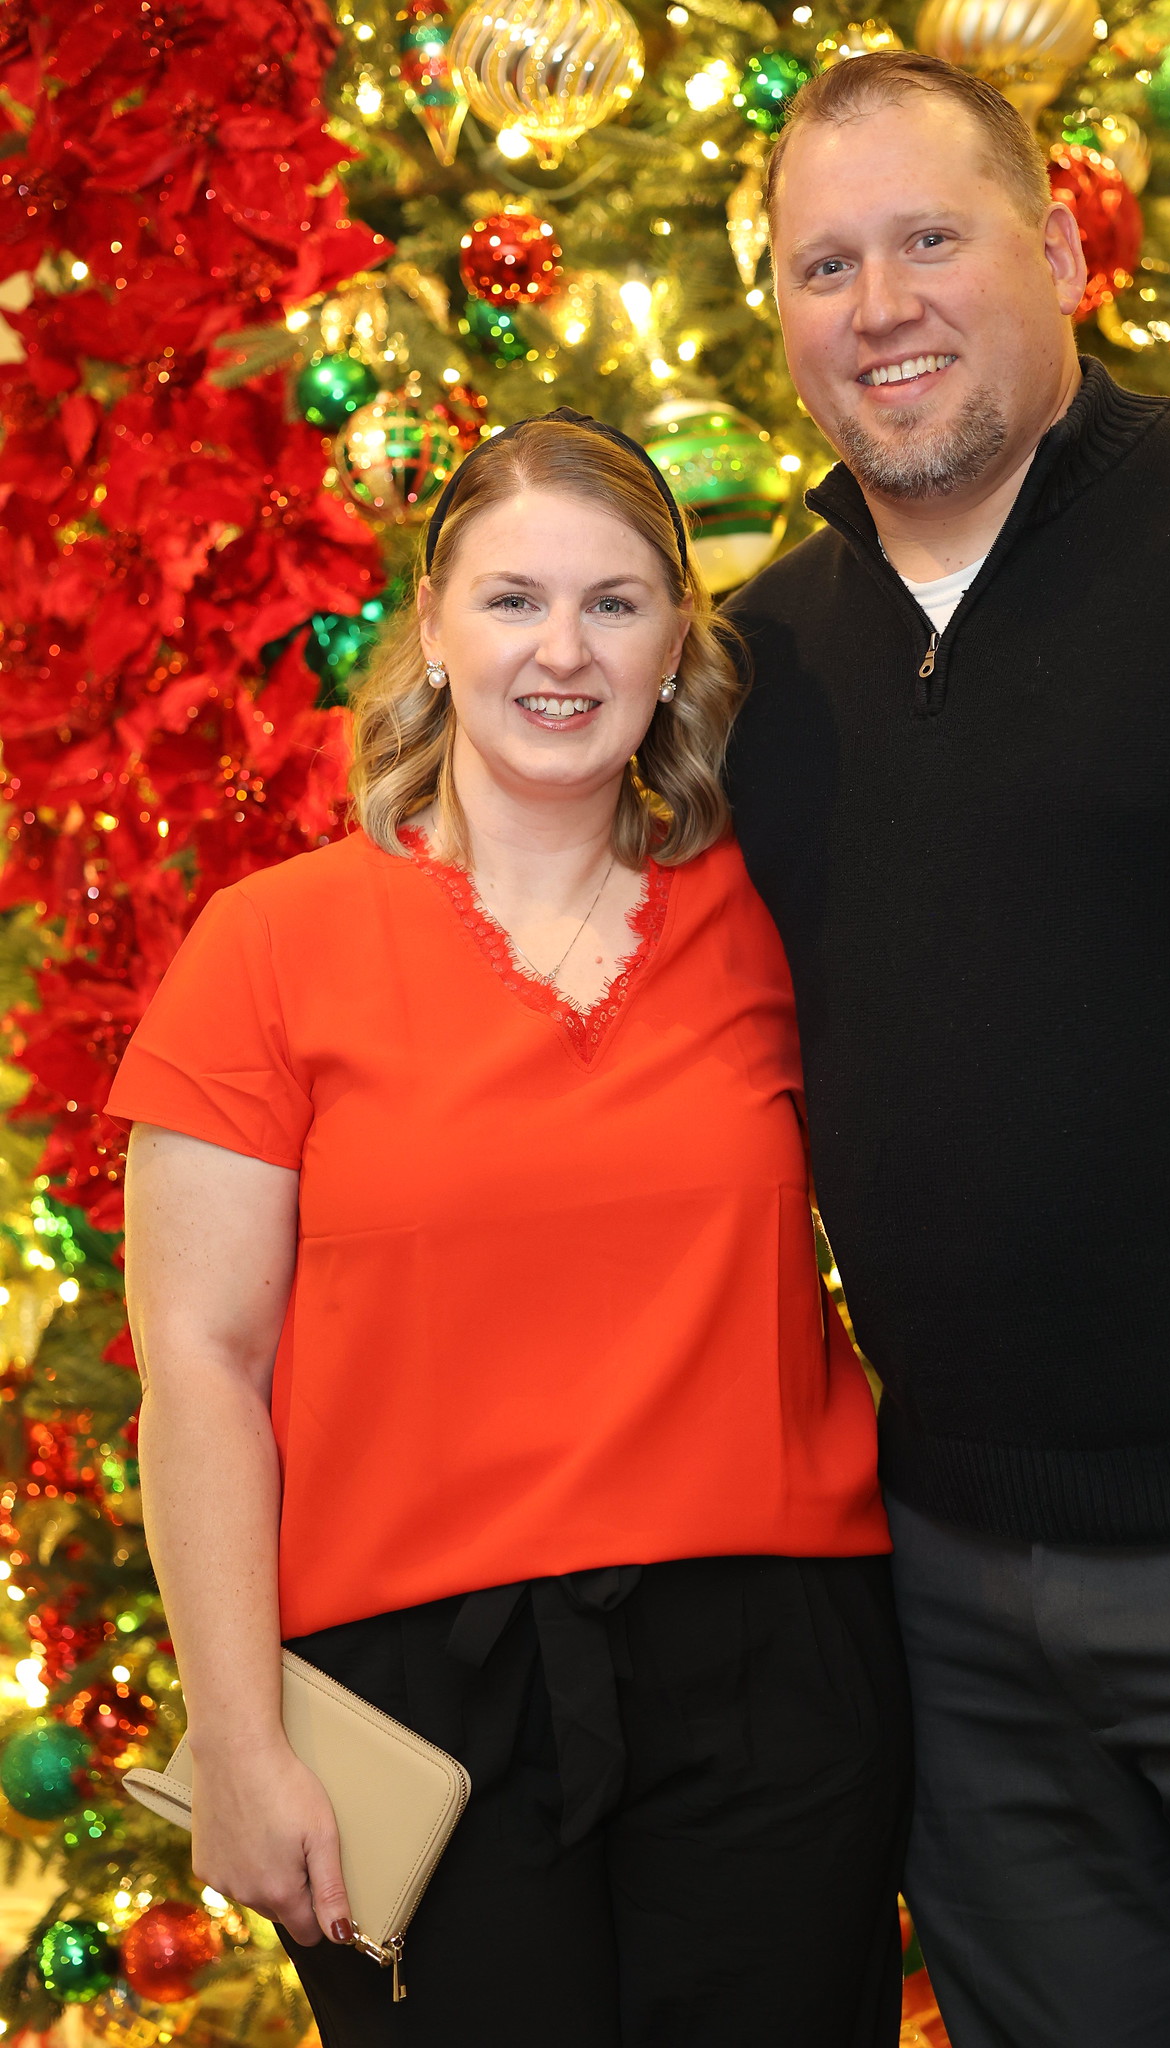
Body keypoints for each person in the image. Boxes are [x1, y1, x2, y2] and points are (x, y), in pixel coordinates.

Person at [109, 411, 913, 2047]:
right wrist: (239, 1740)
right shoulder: (271, 946)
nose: (563, 650)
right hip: (412, 1699)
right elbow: (198, 1360)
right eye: (513, 600)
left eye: (616, 604)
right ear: (431, 624)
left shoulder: (778, 915)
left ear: (677, 641)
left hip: (769, 1675)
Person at [724, 49, 1170, 2048]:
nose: (879, 304)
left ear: (1060, 246)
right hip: (947, 1578)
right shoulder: (751, 665)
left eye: (928, 238)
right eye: (824, 264)